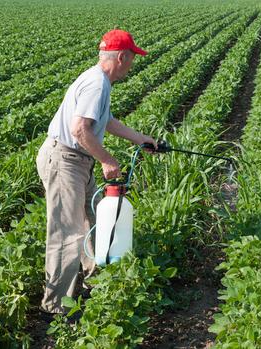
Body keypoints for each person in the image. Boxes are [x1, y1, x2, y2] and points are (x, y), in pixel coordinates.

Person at [36, 29, 158, 315]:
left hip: (76, 160)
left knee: (91, 222)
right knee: (67, 233)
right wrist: (106, 160)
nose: (132, 63)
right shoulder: (96, 84)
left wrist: (142, 139)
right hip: (65, 160)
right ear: (121, 56)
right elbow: (80, 130)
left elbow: (107, 121)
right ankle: (56, 307)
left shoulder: (98, 80)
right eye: (132, 58)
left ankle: (96, 283)